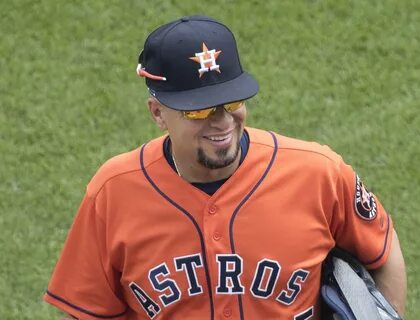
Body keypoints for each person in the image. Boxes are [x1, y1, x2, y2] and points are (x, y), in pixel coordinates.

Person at [44, 15, 406, 320]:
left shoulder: (318, 173)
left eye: (231, 101)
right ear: (158, 114)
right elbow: (88, 309)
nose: (221, 122)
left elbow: (383, 251)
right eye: (198, 110)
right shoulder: (113, 191)